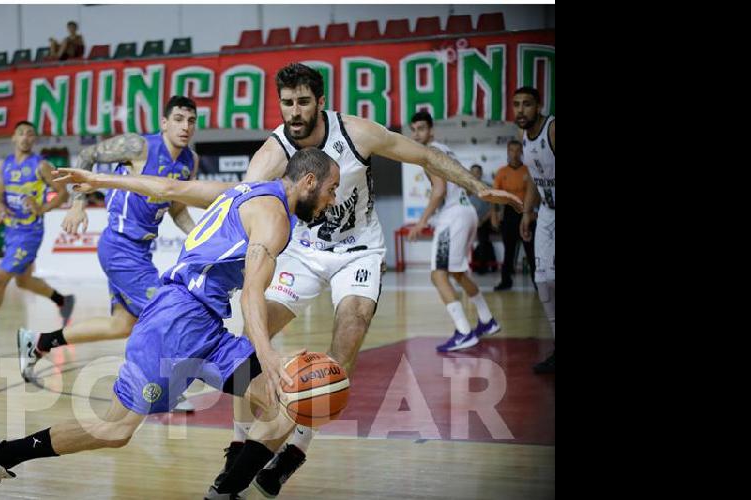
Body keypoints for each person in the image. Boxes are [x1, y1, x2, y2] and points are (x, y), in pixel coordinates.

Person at [208, 63, 521, 497]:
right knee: (246, 341)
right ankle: (239, 443)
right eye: (286, 102)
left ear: (320, 102)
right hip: (303, 252)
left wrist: (477, 187)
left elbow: (425, 155)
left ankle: (296, 448)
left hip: (360, 250)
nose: (294, 112)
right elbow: (238, 209)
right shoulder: (272, 153)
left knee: (344, 345)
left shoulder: (356, 133)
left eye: (302, 102)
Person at [0, 147, 342, 500]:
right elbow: (251, 295)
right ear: (309, 181)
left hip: (206, 329)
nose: (333, 199)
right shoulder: (275, 219)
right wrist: (269, 354)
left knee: (286, 402)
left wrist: (100, 181)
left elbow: (169, 187)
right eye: (332, 189)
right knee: (116, 430)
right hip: (173, 325)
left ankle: (225, 492)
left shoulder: (245, 190)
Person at [17, 96, 200, 410]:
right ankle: (161, 388)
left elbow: (177, 207)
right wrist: (77, 203)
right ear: (164, 122)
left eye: (192, 120)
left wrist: (197, 236)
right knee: (164, 314)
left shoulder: (189, 162)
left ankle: (40, 342)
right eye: (179, 119)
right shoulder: (138, 146)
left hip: (139, 252)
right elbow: (88, 155)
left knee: (121, 326)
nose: (186, 126)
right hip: (118, 247)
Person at [0, 121, 75, 346]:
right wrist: (0, 209)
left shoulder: (41, 166)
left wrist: (42, 208)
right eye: (21, 133)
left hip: (30, 232)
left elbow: (63, 194)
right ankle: (63, 300)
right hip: (11, 229)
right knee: (22, 281)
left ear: (34, 140)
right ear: (13, 137)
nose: (25, 137)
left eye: (31, 134)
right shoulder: (6, 165)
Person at [407, 111, 500, 353]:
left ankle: (464, 332)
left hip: (453, 217)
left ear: (431, 131)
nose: (416, 134)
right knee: (457, 273)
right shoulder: (444, 149)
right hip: (467, 212)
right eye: (413, 129)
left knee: (438, 275)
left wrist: (421, 222)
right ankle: (487, 320)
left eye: (421, 129)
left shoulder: (430, 153)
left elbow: (438, 191)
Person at [511, 86, 555, 374]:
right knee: (543, 278)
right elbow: (533, 178)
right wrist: (527, 214)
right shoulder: (523, 136)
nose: (521, 110)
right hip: (548, 212)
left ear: (539, 106)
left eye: (527, 104)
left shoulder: (552, 129)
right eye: (516, 105)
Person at [491, 140, 535, 290]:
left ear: (522, 152)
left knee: (531, 250)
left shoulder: (529, 170)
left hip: (526, 212)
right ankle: (505, 282)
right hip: (509, 213)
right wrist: (494, 215)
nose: (515, 154)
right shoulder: (501, 172)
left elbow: (536, 193)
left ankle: (538, 283)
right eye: (511, 150)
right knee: (508, 250)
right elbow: (494, 195)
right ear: (508, 152)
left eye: (518, 150)